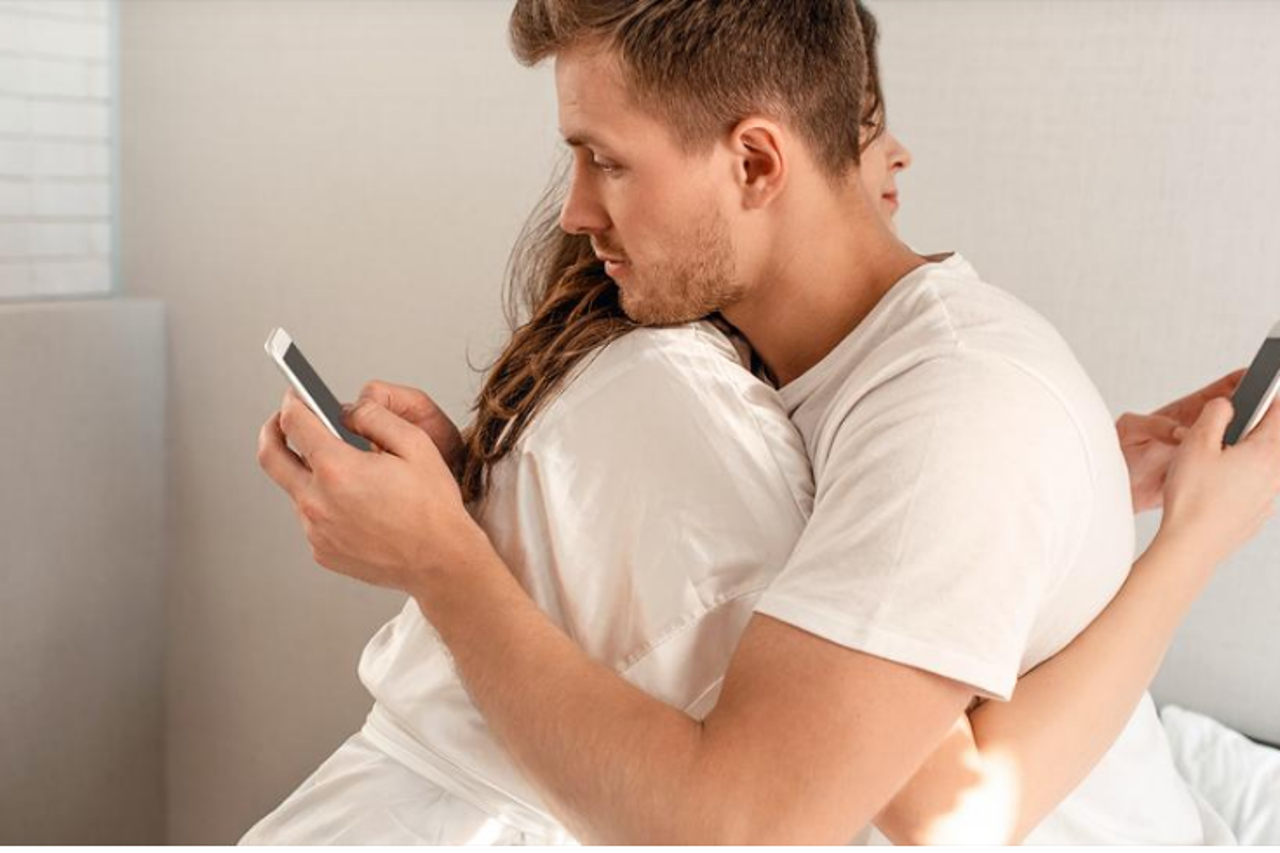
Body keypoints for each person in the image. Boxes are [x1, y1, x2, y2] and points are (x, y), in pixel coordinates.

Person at [252, 0, 1280, 844]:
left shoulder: (959, 414)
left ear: (754, 163)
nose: (574, 209)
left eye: (605, 160)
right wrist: (503, 503)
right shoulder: (817, 379)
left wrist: (441, 561)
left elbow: (772, 826)